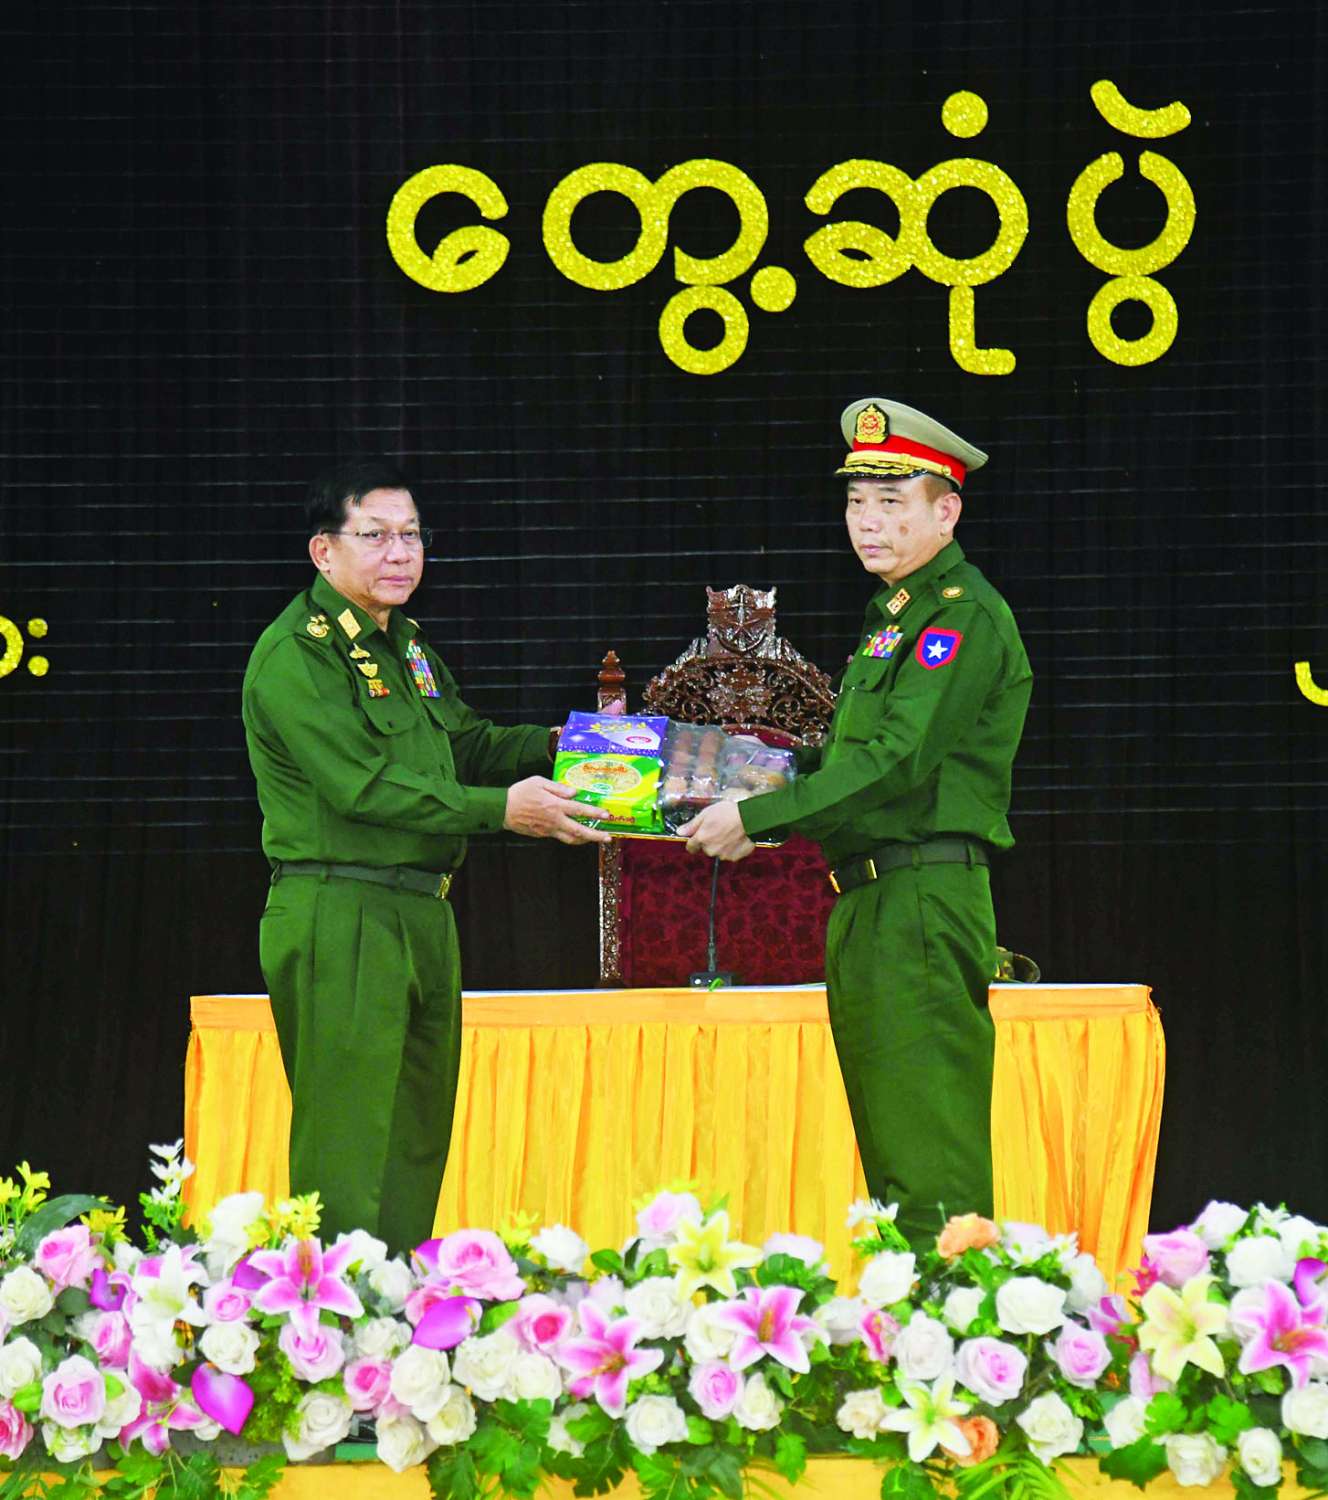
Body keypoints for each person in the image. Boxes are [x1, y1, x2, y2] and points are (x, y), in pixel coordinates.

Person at [679, 398, 1032, 1247]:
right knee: (894, 1158)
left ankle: (961, 1317)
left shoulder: (959, 618)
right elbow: (848, 759)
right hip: (870, 900)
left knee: (931, 1159)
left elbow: (895, 765)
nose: (867, 522)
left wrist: (757, 817)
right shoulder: (896, 618)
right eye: (855, 502)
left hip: (921, 899)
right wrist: (724, 772)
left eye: (891, 502)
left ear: (946, 512)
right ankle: (918, 1317)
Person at [241, 458, 608, 1252]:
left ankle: (400, 1305)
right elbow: (362, 788)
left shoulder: (404, 647)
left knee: (413, 1139)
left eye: (411, 535)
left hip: (420, 911)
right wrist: (504, 811)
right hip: (342, 910)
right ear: (323, 552)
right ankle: (334, 1313)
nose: (400, 553)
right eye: (375, 536)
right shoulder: (297, 654)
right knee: (347, 1148)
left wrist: (571, 744)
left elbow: (464, 745)